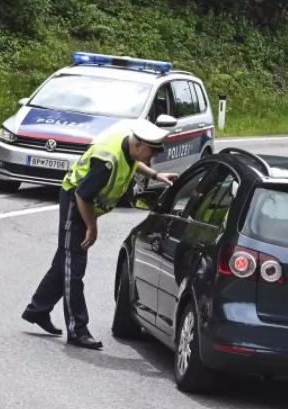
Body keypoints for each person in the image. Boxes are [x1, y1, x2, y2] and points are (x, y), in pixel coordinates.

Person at [20, 120, 178, 349]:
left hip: (84, 205)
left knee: (64, 261)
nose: (150, 158)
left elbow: (134, 162)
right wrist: (92, 228)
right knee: (74, 268)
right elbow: (82, 196)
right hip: (76, 204)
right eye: (150, 153)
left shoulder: (130, 147)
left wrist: (155, 175)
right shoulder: (107, 161)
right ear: (138, 144)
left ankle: (38, 310)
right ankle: (78, 330)